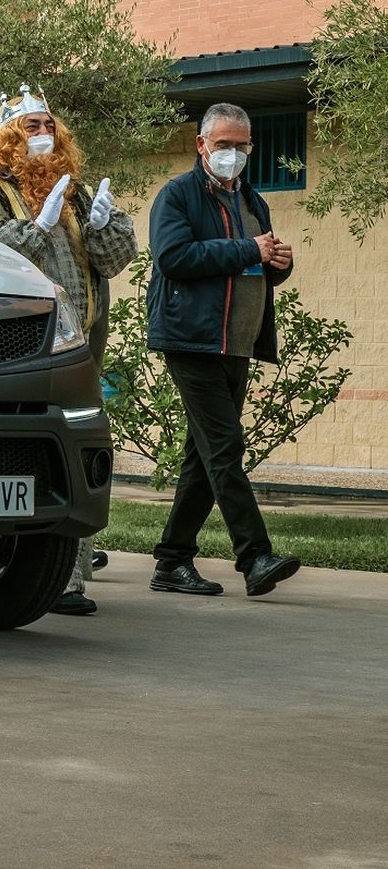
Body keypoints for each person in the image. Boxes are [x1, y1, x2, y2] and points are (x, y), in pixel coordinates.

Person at [0, 85, 137, 616]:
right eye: (31, 127)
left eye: (49, 125)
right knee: (17, 446)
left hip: (82, 339)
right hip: (18, 342)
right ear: (6, 138)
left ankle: (69, 577)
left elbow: (113, 261)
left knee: (78, 444)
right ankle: (1, 558)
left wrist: (103, 228)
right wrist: (37, 226)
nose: (44, 134)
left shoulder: (79, 190)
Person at [146, 102, 300, 599]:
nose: (233, 154)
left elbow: (256, 266)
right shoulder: (178, 196)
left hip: (237, 344)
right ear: (202, 146)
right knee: (225, 448)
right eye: (224, 145)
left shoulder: (253, 202)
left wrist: (277, 262)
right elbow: (174, 257)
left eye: (242, 146)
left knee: (204, 455)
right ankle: (254, 555)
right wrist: (250, 250)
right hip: (191, 341)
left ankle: (172, 561)